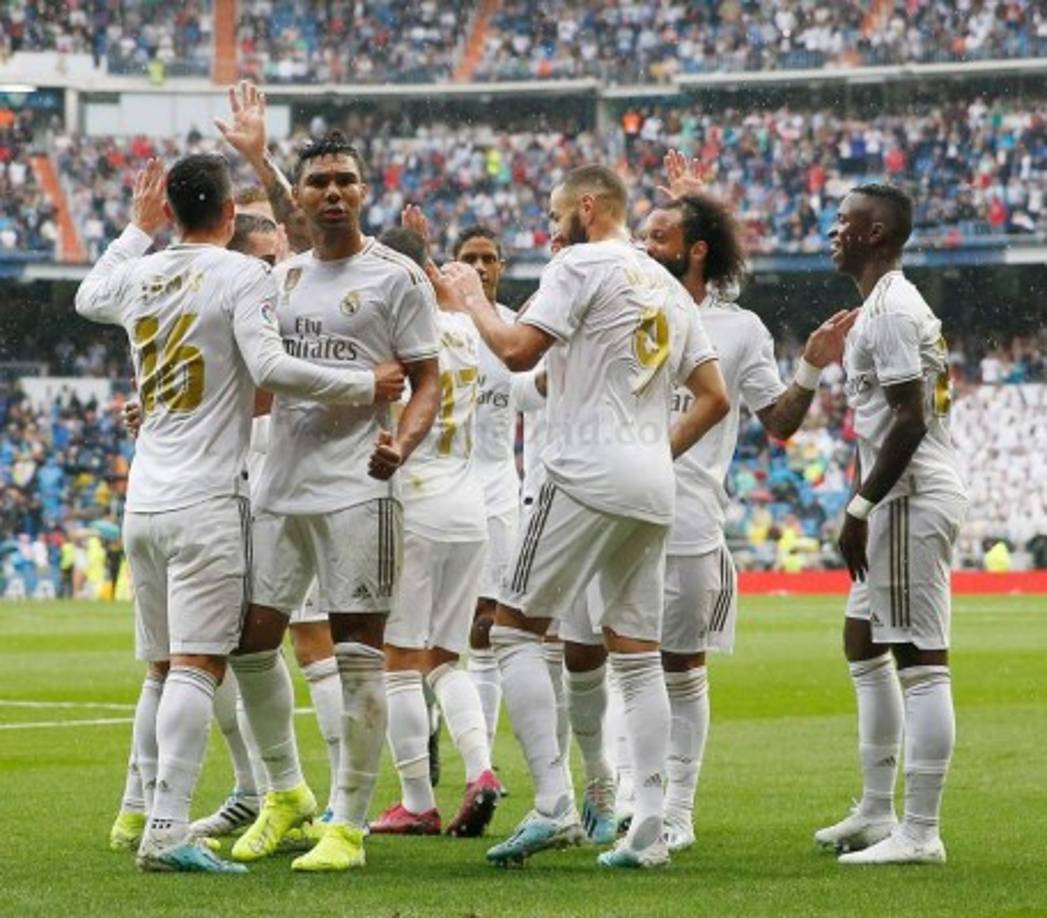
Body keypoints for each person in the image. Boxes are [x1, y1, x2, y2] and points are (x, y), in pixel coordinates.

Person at [76, 153, 403, 873]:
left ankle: (153, 810)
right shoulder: (242, 274)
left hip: (143, 501)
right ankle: (167, 831)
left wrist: (136, 230)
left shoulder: (138, 274)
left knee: (166, 667)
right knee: (197, 667)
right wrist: (364, 383)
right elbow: (274, 369)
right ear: (229, 214)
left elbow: (88, 295)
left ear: (169, 212)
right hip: (207, 501)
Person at [435, 163, 730, 869]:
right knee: (637, 656)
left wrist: (471, 298)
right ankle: (648, 829)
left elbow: (515, 351)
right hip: (651, 484)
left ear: (588, 208)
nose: (550, 228)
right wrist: (652, 451)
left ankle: (553, 804)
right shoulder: (663, 281)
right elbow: (714, 396)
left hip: (582, 471)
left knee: (512, 630)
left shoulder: (581, 264)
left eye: (554, 213)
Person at [217, 95, 441, 875]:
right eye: (319, 183)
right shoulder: (281, 276)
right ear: (302, 198)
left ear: (363, 190)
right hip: (280, 482)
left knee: (356, 653)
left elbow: (426, 380)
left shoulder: (396, 277)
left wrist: (400, 444)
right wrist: (258, 159)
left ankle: (347, 824)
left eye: (345, 180)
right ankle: (286, 792)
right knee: (249, 642)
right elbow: (265, 384)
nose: (333, 192)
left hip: (357, 486)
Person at [622, 152, 858, 851]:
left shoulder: (739, 329)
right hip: (618, 508)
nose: (643, 246)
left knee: (681, 666)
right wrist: (690, 207)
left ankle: (678, 811)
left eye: (659, 236)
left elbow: (779, 423)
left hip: (689, 516)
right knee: (619, 661)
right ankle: (628, 797)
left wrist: (810, 365)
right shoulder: (623, 309)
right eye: (642, 235)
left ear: (696, 251)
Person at [818, 183, 967, 865]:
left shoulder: (890, 311)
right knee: (862, 640)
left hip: (907, 498)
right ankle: (877, 809)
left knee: (919, 658)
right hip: (894, 498)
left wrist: (859, 506)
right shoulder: (880, 307)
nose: (833, 231)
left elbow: (909, 419)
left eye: (844, 221)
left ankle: (920, 831)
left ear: (875, 233)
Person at [369, 224, 501, 839]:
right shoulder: (467, 329)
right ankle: (481, 770)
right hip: (469, 507)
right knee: (446, 659)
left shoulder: (397, 335)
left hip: (415, 503)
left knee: (399, 662)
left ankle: (417, 801)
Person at [452, 226, 519, 763]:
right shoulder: (437, 326)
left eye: (488, 258)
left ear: (501, 266)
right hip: (443, 480)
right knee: (426, 626)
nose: (479, 267)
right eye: (469, 258)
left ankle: (484, 762)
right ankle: (431, 726)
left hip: (498, 482)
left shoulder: (516, 330)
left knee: (486, 623)